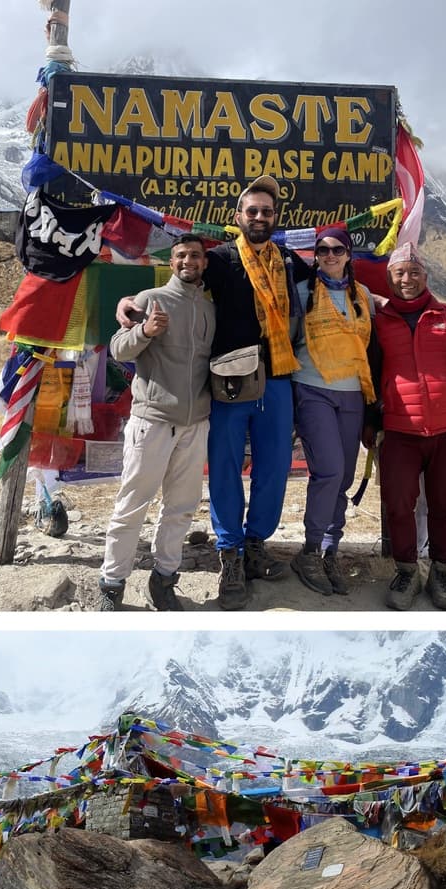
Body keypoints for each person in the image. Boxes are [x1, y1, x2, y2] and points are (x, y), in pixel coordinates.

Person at [118, 176, 311, 609]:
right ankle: (231, 554)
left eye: (267, 211)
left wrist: (377, 300)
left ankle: (256, 542)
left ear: (275, 218)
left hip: (277, 376)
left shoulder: (291, 261)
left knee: (274, 467)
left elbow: (337, 280)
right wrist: (128, 302)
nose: (260, 217)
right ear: (238, 217)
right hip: (228, 380)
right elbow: (173, 285)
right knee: (224, 467)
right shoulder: (219, 260)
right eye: (252, 211)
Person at [100, 234, 214, 611]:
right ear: (172, 260)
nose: (188, 262)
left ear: (204, 262)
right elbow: (118, 348)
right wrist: (144, 331)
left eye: (195, 256)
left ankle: (164, 579)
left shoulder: (211, 308)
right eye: (181, 255)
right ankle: (112, 584)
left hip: (195, 423)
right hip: (152, 421)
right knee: (132, 504)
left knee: (181, 509)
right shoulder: (151, 300)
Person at [370, 243, 446, 611]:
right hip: (400, 428)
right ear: (390, 278)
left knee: (442, 504)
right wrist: (371, 421)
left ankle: (441, 572)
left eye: (414, 272)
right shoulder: (379, 322)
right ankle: (406, 570)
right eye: (400, 273)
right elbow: (370, 373)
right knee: (399, 503)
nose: (407, 279)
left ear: (426, 276)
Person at [289, 224, 375, 597]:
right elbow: (286, 338)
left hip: (353, 393)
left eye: (336, 249)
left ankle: (329, 549)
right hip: (313, 389)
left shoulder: (364, 297)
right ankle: (309, 550)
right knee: (329, 471)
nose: (329, 256)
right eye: (322, 250)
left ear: (348, 254)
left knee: (344, 478)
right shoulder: (303, 293)